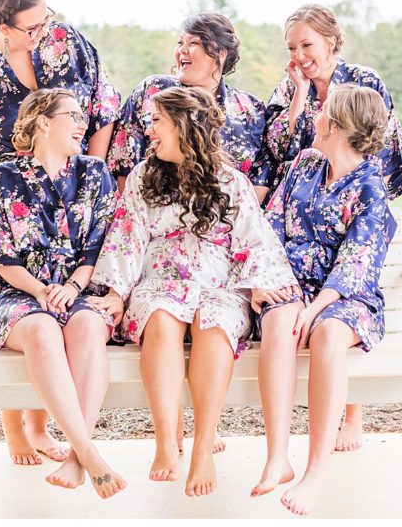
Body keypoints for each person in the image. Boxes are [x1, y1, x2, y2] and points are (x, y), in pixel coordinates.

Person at [0, 0, 121, 466]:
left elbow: (101, 109)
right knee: (32, 315)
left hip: (71, 182)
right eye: (32, 26)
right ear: (3, 27)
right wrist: (5, 197)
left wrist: (86, 173)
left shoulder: (68, 44)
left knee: (67, 319)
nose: (44, 31)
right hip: (12, 191)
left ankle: (53, 435)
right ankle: (20, 431)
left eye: (46, 21)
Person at [91, 86, 297, 497]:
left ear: (184, 127)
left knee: (215, 322)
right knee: (162, 319)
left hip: (218, 282)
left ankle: (203, 445)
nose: (149, 129)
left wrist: (259, 282)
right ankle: (166, 441)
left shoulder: (230, 182)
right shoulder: (142, 178)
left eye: (156, 122)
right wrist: (116, 291)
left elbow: (254, 238)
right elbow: (127, 237)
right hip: (161, 280)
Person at [263, 2, 402, 452]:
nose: (299, 55)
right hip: (305, 194)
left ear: (330, 41)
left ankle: (351, 416)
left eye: (306, 45)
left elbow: (381, 145)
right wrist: (296, 95)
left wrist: (359, 200)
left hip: (352, 195)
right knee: (289, 316)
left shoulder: (364, 82)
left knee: (336, 317)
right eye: (291, 47)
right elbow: (279, 149)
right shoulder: (292, 87)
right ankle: (287, 446)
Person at [0, 88, 126, 498]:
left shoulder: (95, 173)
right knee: (42, 331)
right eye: (73, 116)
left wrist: (72, 286)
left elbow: (101, 243)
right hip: (21, 293)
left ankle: (78, 456)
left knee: (88, 328)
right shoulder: (3, 178)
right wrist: (41, 289)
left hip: (79, 290)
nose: (83, 125)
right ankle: (92, 455)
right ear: (43, 121)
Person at [255, 84, 397, 515]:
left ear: (335, 126)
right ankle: (277, 456)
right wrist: (266, 282)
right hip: (291, 283)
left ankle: (316, 470)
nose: (314, 117)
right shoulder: (305, 165)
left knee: (328, 335)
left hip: (346, 295)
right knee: (280, 322)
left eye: (321, 113)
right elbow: (270, 226)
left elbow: (358, 262)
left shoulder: (372, 188)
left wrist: (316, 309)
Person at [108, 13, 273, 202]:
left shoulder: (252, 110)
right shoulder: (153, 90)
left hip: (224, 221)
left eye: (193, 43)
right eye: (180, 43)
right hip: (151, 214)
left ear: (221, 52)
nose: (182, 51)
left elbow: (262, 174)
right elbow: (123, 161)